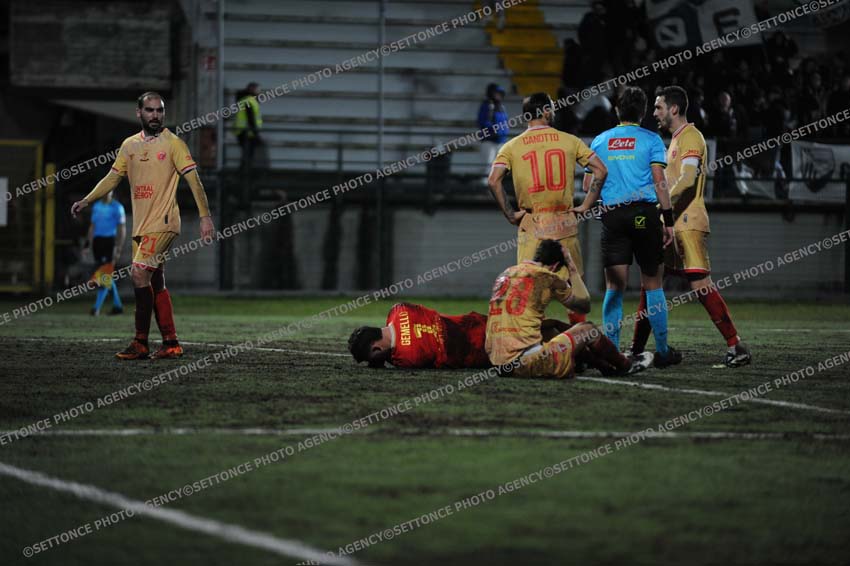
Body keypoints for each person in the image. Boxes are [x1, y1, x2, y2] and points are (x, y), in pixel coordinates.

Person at [71, 92, 215, 360]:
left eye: (159, 110)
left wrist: (205, 216)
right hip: (142, 226)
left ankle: (140, 342)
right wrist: (87, 200)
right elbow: (112, 178)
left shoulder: (174, 144)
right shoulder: (129, 145)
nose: (155, 115)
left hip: (164, 222)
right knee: (155, 281)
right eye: (150, 110)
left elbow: (194, 181)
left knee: (138, 274)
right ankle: (171, 342)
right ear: (139, 113)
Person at [631, 86, 751, 367]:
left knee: (701, 286)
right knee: (651, 285)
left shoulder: (691, 136)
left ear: (673, 109)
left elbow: (687, 179)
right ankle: (636, 349)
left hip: (688, 222)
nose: (654, 113)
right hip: (672, 224)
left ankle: (736, 346)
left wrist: (659, 207)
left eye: (659, 107)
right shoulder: (675, 140)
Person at [572, 86, 681, 367]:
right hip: (644, 215)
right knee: (653, 284)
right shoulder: (652, 139)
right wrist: (668, 221)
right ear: (643, 112)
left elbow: (588, 184)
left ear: (617, 110)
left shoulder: (600, 140)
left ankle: (613, 352)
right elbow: (659, 181)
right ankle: (663, 351)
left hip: (613, 216)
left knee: (614, 287)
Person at [488, 91, 607, 324]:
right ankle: (578, 338)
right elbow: (601, 171)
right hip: (564, 224)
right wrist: (586, 205)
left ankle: (532, 340)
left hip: (532, 225)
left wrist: (511, 214)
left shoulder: (511, 146)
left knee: (529, 292)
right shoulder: (570, 140)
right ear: (545, 111)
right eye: (551, 107)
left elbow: (493, 181)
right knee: (575, 292)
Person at [485, 239, 652, 379]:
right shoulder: (548, 276)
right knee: (588, 330)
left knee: (551, 325)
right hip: (526, 362)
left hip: (498, 363)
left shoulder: (506, 273)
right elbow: (584, 305)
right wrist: (572, 268)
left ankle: (604, 366)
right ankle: (625, 365)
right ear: (555, 266)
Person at [348, 302, 490, 369]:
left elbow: (399, 351)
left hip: (482, 351)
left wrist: (377, 361)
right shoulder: (399, 308)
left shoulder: (406, 359)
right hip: (480, 322)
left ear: (376, 349)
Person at [86, 190, 126, 316]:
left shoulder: (117, 207)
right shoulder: (96, 206)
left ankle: (96, 308)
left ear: (112, 192)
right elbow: (92, 226)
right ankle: (118, 306)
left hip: (109, 243)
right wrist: (87, 244)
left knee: (104, 275)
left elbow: (122, 228)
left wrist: (118, 247)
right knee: (105, 275)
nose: (106, 192)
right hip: (97, 243)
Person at [477, 83, 509, 184]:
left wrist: (503, 133)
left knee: (499, 166)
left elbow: (505, 123)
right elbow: (482, 122)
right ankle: (484, 186)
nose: (498, 95)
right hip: (489, 141)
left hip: (500, 141)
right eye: (496, 93)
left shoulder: (502, 107)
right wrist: (494, 130)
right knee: (488, 165)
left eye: (500, 93)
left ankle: (496, 186)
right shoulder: (487, 106)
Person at [233, 82, 263, 172]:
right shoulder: (249, 101)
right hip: (246, 132)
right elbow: (251, 119)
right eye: (258, 90)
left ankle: (244, 174)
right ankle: (244, 174)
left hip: (243, 132)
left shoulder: (245, 99)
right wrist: (256, 134)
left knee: (246, 155)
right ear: (252, 90)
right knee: (248, 156)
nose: (259, 92)